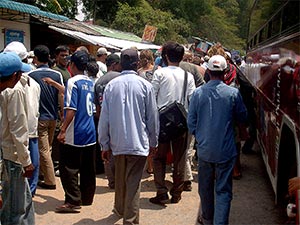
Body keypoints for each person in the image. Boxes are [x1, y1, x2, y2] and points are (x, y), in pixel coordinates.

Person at [98, 48, 159, 224]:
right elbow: (152, 118)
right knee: (133, 182)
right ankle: (130, 220)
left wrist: (104, 144)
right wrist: (153, 142)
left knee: (120, 180)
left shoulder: (111, 86)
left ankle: (119, 209)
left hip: (117, 143)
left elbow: (105, 119)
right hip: (138, 142)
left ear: (120, 64)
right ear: (137, 63)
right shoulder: (145, 86)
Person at [187, 55, 247, 224]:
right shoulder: (233, 93)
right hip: (226, 151)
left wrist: (201, 139)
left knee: (205, 189)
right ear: (225, 72)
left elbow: (191, 123)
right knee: (223, 191)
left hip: (205, 151)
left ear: (208, 72)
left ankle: (207, 219)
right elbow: (243, 117)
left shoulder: (198, 94)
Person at [150, 41, 196, 204]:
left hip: (162, 122)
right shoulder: (188, 76)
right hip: (182, 122)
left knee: (159, 158)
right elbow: (192, 99)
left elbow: (152, 97)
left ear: (166, 56)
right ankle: (177, 193)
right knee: (180, 159)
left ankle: (161, 191)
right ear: (182, 57)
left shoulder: (159, 74)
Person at [56, 50, 97, 213]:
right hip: (90, 130)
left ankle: (72, 200)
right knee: (88, 167)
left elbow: (71, 109)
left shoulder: (73, 82)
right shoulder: (90, 82)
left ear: (72, 65)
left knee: (69, 167)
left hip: (76, 131)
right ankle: (87, 197)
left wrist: (63, 129)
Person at [0, 51, 35, 224]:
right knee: (17, 209)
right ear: (15, 75)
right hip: (12, 157)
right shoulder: (15, 91)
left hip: (6, 155)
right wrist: (26, 161)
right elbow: (18, 130)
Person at [3, 41, 41, 197]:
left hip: (22, 140)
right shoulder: (16, 89)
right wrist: (25, 161)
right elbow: (17, 126)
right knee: (16, 198)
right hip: (16, 144)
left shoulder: (28, 84)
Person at [28, 45, 64, 190]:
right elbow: (61, 95)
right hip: (53, 117)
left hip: (40, 117)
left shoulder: (31, 75)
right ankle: (44, 174)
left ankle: (50, 181)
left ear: (36, 58)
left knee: (43, 150)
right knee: (47, 148)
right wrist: (62, 114)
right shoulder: (57, 75)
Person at [94, 53, 121, 189]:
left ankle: (111, 180)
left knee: (106, 150)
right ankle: (119, 178)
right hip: (119, 120)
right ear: (115, 64)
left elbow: (97, 107)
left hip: (104, 119)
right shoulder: (120, 78)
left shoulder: (99, 81)